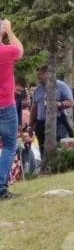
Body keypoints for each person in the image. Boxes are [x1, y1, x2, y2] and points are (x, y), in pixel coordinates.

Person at [0, 20, 23, 200]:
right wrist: (9, 30)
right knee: (9, 146)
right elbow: (19, 50)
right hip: (6, 106)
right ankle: (1, 187)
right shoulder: (6, 51)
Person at [31, 66, 74, 156]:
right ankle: (46, 167)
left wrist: (59, 104)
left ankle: (59, 166)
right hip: (41, 123)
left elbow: (71, 102)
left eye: (40, 75)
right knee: (42, 146)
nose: (38, 77)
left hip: (58, 120)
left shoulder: (60, 85)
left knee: (58, 142)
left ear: (48, 74)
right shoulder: (37, 90)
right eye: (37, 75)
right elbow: (34, 108)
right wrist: (31, 125)